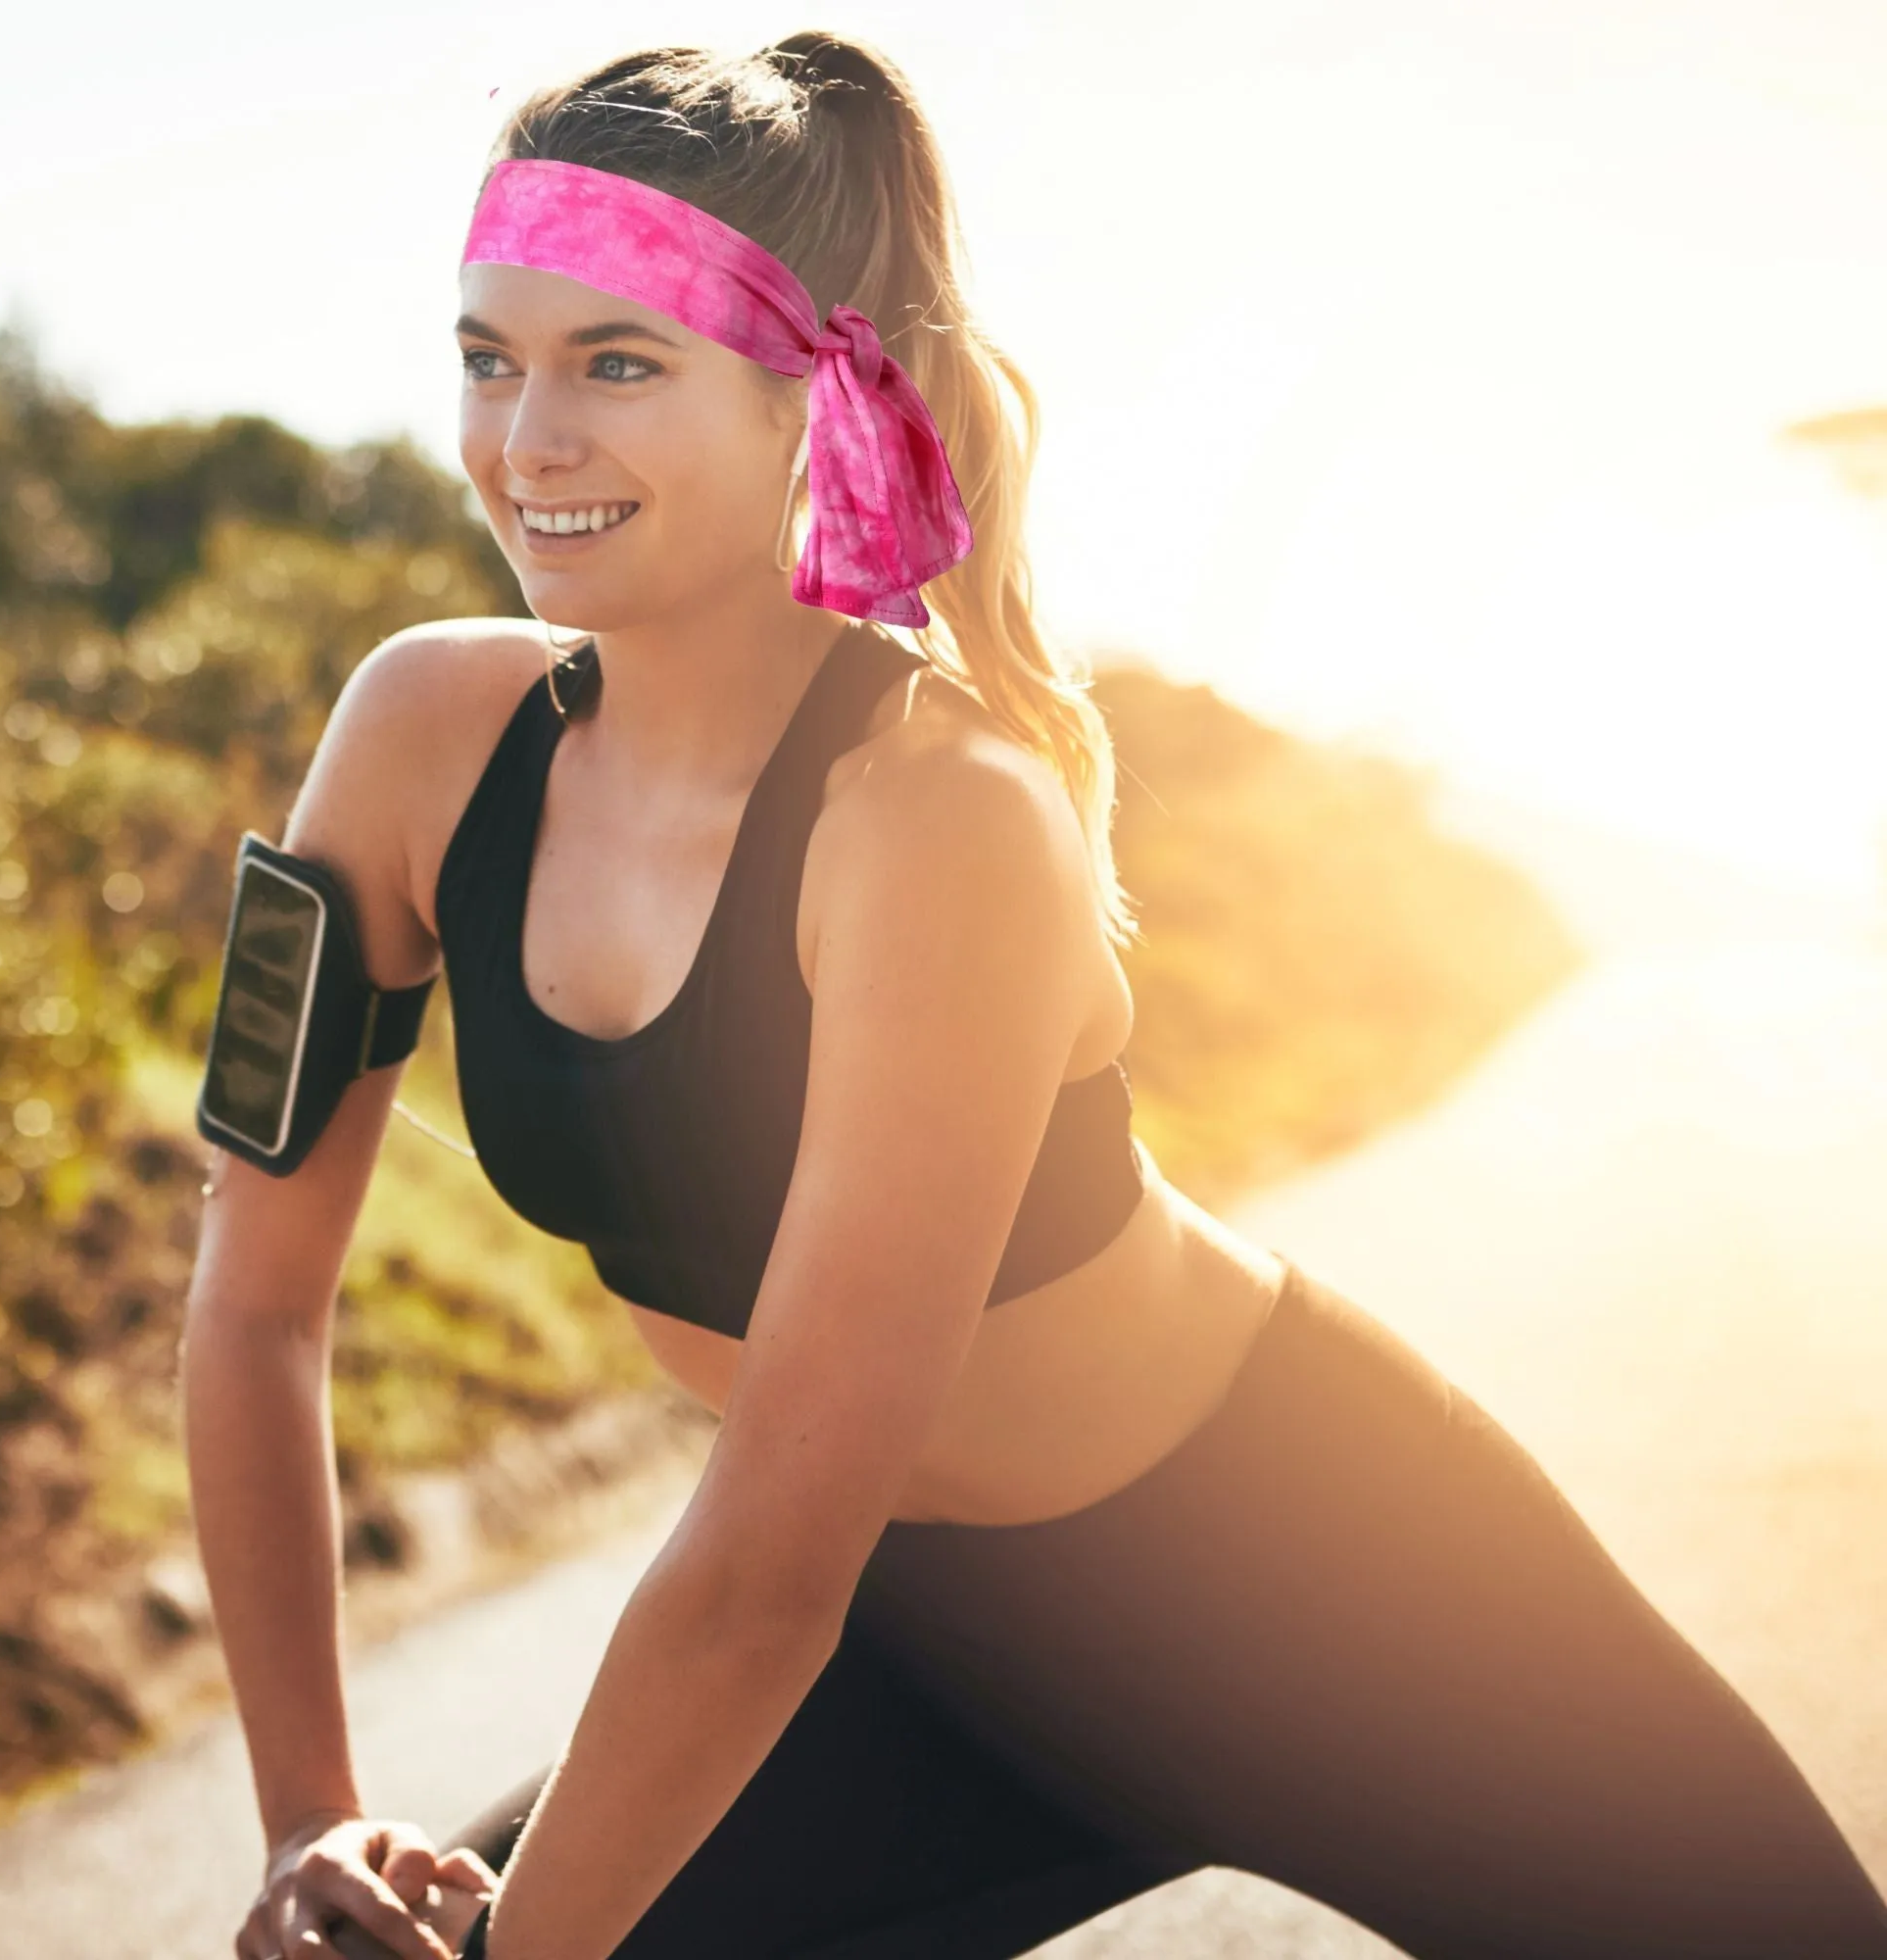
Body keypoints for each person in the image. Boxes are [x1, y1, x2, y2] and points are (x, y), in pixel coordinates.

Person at [185, 31, 1887, 1960]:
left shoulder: (941, 817)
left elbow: (758, 1568)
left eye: (618, 363)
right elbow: (253, 1308)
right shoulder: (412, 736)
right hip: (923, 1652)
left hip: (1333, 1577)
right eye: (490, 356)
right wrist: (310, 1817)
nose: (525, 442)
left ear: (800, 393)